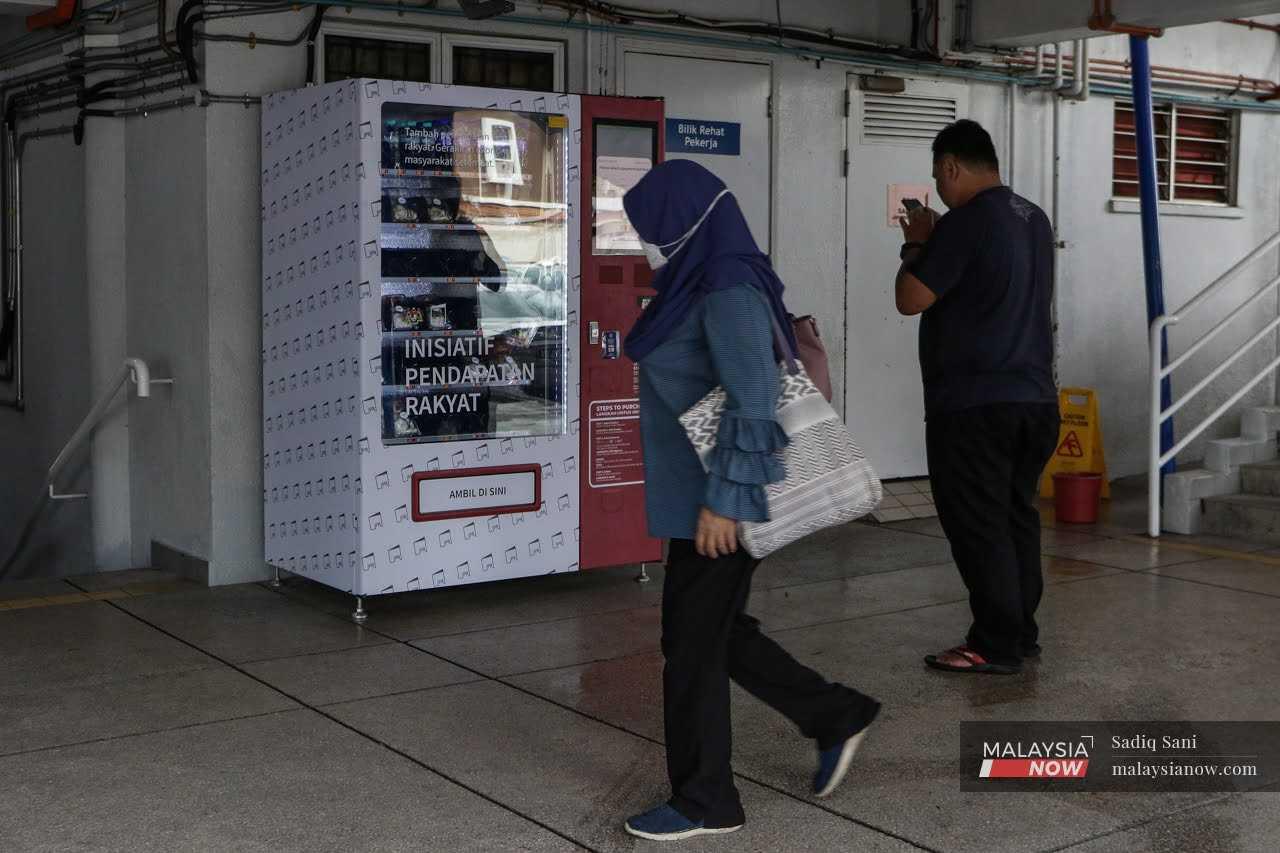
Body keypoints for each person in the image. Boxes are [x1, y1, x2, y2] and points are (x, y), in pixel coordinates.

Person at [621, 159, 881, 842]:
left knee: (691, 646)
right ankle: (833, 713)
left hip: (720, 500)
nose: (647, 244)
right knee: (716, 631)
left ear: (686, 223)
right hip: (701, 496)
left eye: (652, 230)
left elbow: (754, 394)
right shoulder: (697, 282)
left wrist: (726, 502)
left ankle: (706, 799)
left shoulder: (727, 285)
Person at [894, 119, 1060, 676]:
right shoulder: (1032, 217)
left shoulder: (966, 222)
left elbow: (912, 298)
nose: (939, 186)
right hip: (1034, 400)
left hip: (974, 405)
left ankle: (994, 644)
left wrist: (917, 240)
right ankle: (1019, 632)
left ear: (950, 167)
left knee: (978, 524)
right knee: (1016, 518)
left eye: (939, 175)